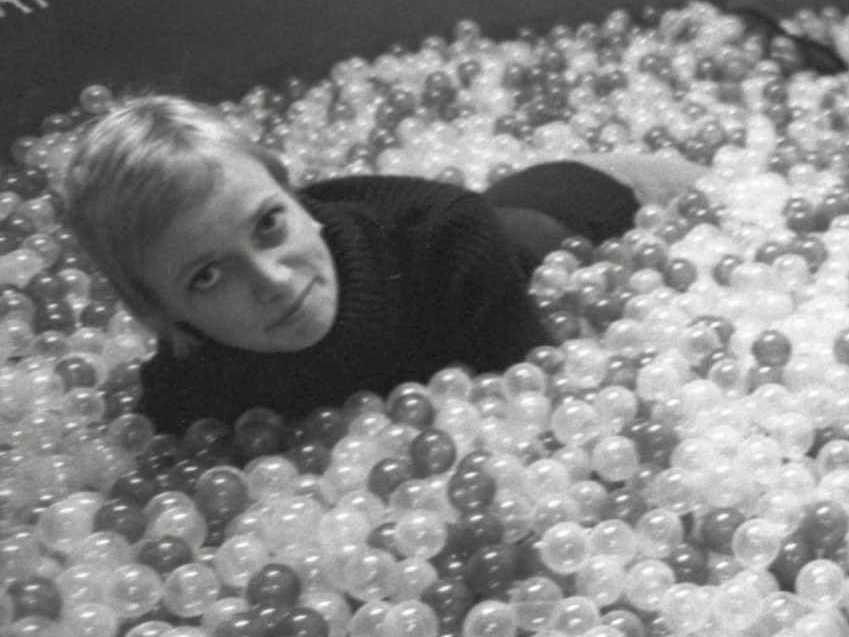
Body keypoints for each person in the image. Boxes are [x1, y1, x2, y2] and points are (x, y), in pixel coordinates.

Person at [61, 94, 705, 436]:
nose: (272, 280)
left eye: (269, 224)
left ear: (293, 194)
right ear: (159, 313)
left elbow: (547, 422)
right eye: (207, 276)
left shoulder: (448, 241)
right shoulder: (188, 391)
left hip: (600, 201)